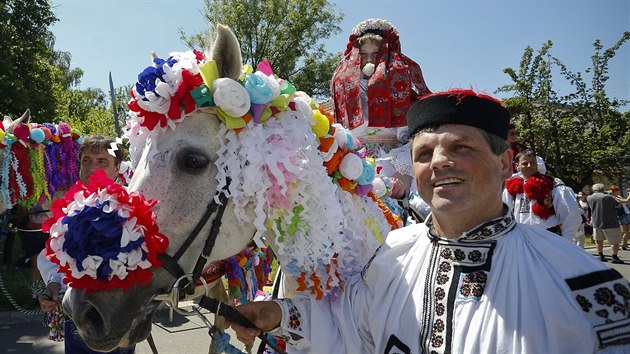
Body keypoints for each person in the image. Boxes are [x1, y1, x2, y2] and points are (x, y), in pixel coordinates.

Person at [227, 89, 630, 353]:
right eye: (424, 154)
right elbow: (348, 325)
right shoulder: (392, 257)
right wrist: (277, 315)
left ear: (506, 162)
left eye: (461, 147)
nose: (439, 163)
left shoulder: (583, 284)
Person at [37, 135, 134, 354]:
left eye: (102, 161)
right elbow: (52, 258)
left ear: (117, 168)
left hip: (117, 318)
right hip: (77, 318)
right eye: (86, 160)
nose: (91, 168)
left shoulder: (131, 208)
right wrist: (53, 287)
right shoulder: (68, 206)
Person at [330, 18, 431, 202]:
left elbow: (417, 133)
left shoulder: (400, 84)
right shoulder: (346, 88)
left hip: (392, 168)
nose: (369, 60)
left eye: (375, 53)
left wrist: (405, 171)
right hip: (353, 164)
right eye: (364, 54)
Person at [503, 150, 582, 241]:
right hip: (522, 238)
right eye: (525, 163)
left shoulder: (553, 184)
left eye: (533, 163)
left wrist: (566, 240)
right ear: (518, 166)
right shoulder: (512, 187)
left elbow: (570, 214)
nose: (529, 166)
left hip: (549, 237)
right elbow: (504, 214)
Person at [587, 183, 624, 263]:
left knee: (598, 240)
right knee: (614, 240)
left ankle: (601, 255)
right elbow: (617, 205)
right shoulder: (608, 197)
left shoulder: (589, 197)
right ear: (603, 189)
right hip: (610, 222)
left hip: (597, 222)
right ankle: (614, 256)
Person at [610, 185, 630, 250]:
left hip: (626, 213)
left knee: (628, 231)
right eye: (617, 190)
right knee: (623, 231)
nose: (619, 191)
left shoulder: (618, 196)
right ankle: (616, 243)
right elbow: (626, 201)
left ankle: (624, 244)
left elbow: (626, 201)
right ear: (614, 191)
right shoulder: (613, 197)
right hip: (621, 215)